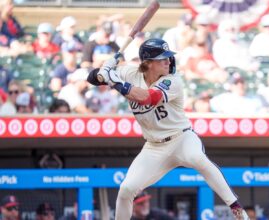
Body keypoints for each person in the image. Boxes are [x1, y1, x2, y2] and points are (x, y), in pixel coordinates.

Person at [87, 38, 250, 219]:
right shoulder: (129, 73)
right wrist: (103, 71)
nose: (167, 61)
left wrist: (115, 82)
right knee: (126, 189)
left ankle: (236, 209)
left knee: (197, 158)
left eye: (168, 57)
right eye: (161, 58)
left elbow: (147, 98)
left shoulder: (172, 81)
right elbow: (91, 78)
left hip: (182, 139)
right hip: (154, 146)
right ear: (147, 63)